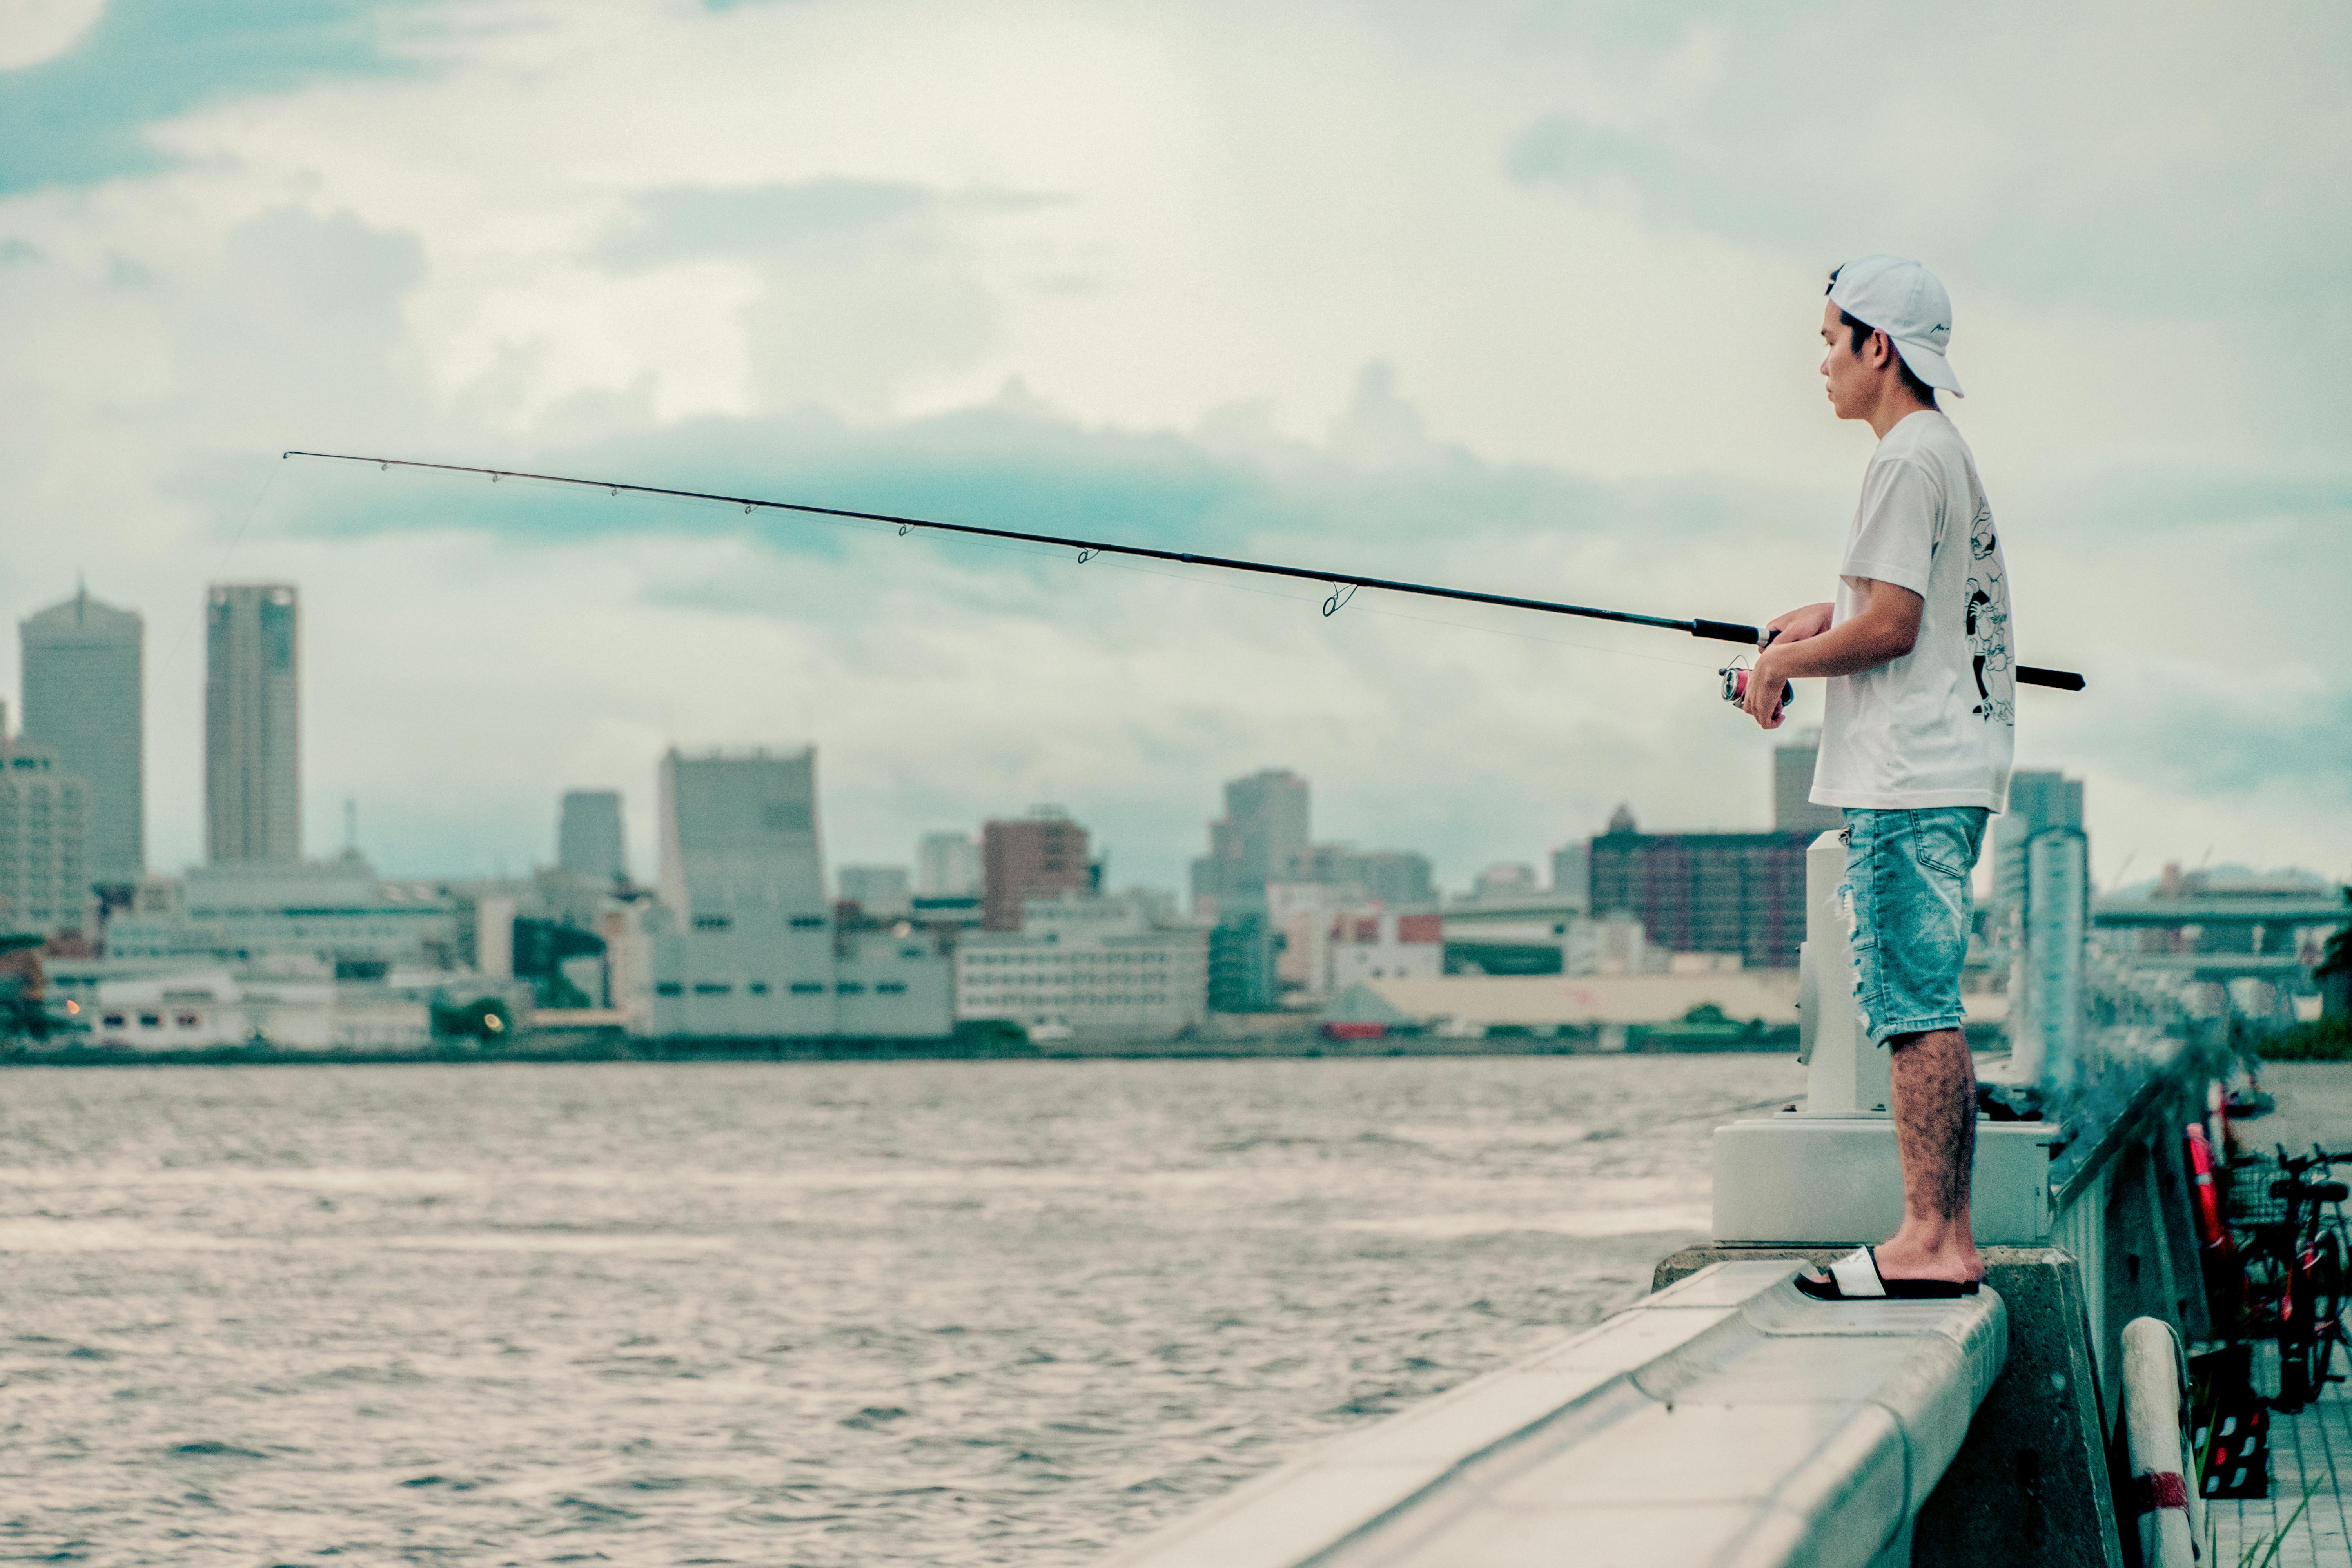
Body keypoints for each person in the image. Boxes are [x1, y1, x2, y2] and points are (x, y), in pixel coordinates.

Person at [1740, 255, 2013, 1302]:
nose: (1820, 359)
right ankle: (1941, 1233)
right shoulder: (1939, 452)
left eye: (1828, 339)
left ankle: (1929, 1240)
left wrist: (1777, 666)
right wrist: (1822, 614)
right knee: (1922, 1001)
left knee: (1913, 1006)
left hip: (1910, 774)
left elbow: (1895, 629)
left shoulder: (1905, 460)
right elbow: (1902, 602)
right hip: (1944, 763)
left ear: (1878, 346)